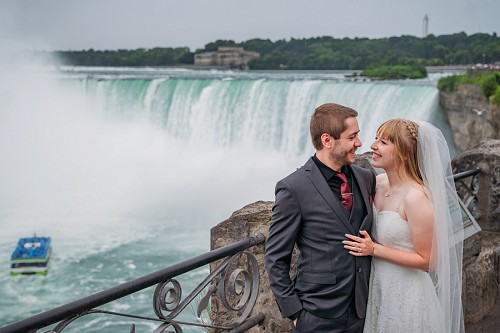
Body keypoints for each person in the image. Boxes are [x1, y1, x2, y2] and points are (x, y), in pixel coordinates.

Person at [343, 119, 465, 333]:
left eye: (384, 142)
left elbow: (428, 261)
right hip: (378, 286)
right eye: (375, 139)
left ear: (405, 153)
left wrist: (374, 249)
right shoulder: (378, 184)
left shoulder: (416, 198)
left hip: (407, 293)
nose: (373, 146)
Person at [265, 103, 376, 333]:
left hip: (362, 312)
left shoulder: (365, 178)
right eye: (352, 137)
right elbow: (276, 257)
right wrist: (295, 313)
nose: (359, 143)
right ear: (327, 140)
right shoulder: (293, 188)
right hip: (317, 316)